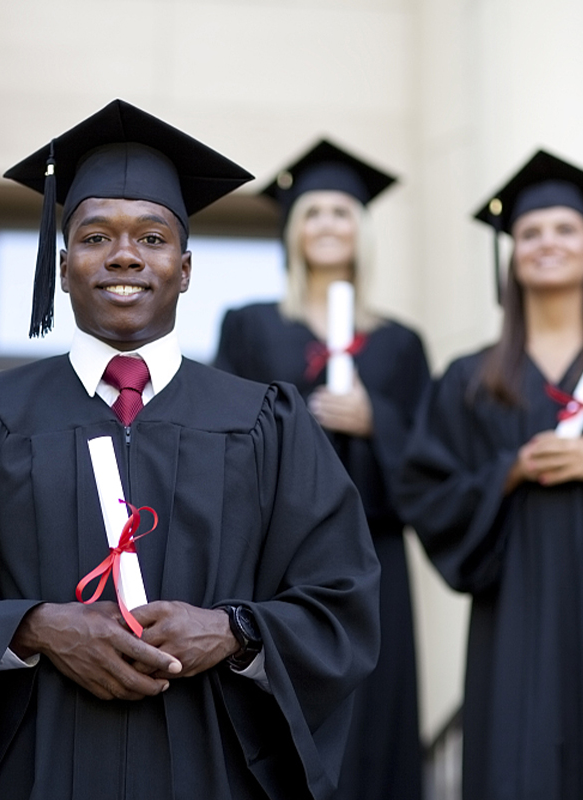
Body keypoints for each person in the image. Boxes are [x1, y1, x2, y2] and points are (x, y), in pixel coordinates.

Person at [0, 99, 381, 800]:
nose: (126, 254)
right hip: (35, 771)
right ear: (64, 262)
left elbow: (340, 599)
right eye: (97, 235)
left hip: (213, 772)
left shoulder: (268, 422)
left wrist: (232, 631)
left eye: (153, 237)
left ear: (187, 268)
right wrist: (38, 627)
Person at [215, 139, 428, 800]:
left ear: (361, 230)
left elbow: (429, 464)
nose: (328, 225)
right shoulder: (250, 326)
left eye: (342, 213)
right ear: (292, 229)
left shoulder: (400, 342)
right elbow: (219, 439)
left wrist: (376, 423)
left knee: (373, 716)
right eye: (313, 212)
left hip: (374, 554)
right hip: (281, 557)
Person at [398, 149, 583, 800]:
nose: (546, 243)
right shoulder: (472, 380)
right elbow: (423, 489)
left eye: (566, 229)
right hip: (516, 614)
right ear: (510, 256)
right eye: (530, 233)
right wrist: (508, 472)